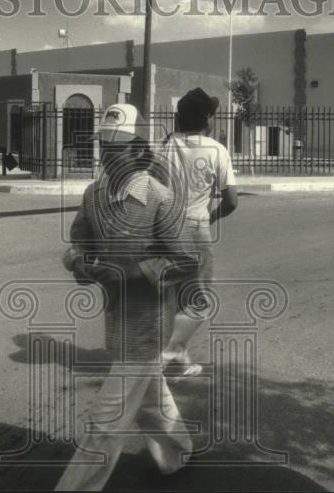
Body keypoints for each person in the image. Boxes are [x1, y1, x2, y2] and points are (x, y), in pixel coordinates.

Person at [55, 103, 198, 491]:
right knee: (150, 397)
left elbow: (185, 261)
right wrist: (80, 263)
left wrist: (135, 272)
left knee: (106, 419)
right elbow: (78, 242)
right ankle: (178, 450)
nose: (106, 154)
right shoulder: (93, 194)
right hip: (117, 317)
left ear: (137, 150)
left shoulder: (160, 198)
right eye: (103, 145)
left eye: (115, 146)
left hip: (148, 321)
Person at [157, 87, 238, 379]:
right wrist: (210, 217)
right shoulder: (216, 150)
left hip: (164, 229)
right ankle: (164, 357)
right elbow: (231, 202)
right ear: (207, 120)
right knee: (198, 303)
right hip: (194, 229)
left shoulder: (164, 146)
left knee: (175, 300)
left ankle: (180, 360)